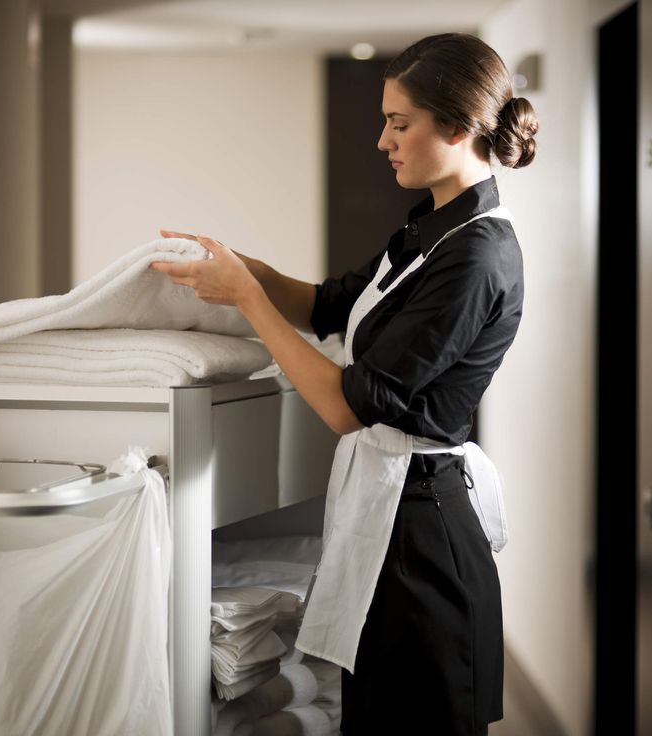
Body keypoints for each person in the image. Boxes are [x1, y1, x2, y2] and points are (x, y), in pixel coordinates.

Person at [151, 32, 538, 736]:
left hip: (425, 540)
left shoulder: (479, 255)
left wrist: (245, 298)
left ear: (455, 125)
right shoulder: (432, 229)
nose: (383, 141)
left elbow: (347, 406)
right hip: (394, 520)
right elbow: (329, 303)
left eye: (399, 123)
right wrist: (239, 265)